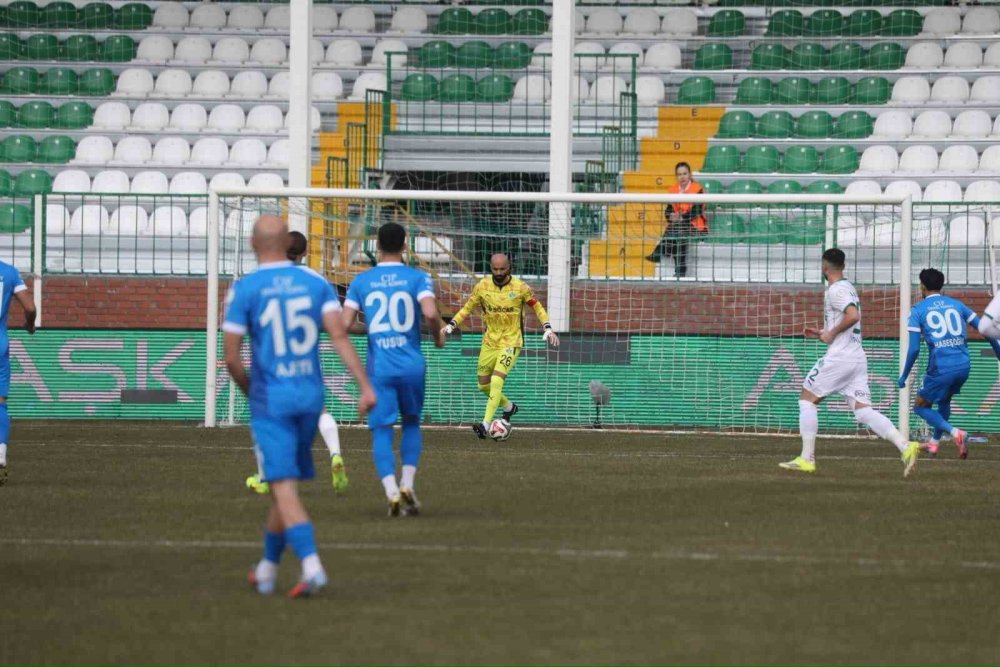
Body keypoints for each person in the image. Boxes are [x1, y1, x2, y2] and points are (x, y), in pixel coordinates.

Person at [223, 214, 376, 597]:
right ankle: (267, 568)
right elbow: (339, 335)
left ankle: (312, 567)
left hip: (272, 397)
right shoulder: (315, 282)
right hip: (310, 396)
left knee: (283, 487)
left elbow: (231, 359)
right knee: (282, 483)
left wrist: (251, 393)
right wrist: (364, 386)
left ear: (255, 244)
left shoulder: (244, 289)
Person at [780, 248, 920, 477]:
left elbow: (853, 316)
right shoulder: (849, 288)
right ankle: (906, 447)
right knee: (864, 412)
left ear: (824, 267)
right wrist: (822, 332)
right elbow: (848, 319)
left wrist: (831, 333)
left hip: (840, 358)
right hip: (856, 357)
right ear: (842, 266)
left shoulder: (836, 290)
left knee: (807, 400)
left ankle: (806, 459)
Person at [341, 222, 445, 516]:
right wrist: (438, 336)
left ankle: (390, 491)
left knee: (382, 430)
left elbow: (344, 323)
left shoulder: (361, 282)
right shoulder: (419, 277)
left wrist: (373, 328)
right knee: (411, 422)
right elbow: (429, 313)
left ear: (376, 246)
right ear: (405, 244)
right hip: (412, 365)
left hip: (380, 368)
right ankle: (407, 484)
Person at [246, 230, 349, 496]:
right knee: (320, 410)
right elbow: (336, 319)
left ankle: (265, 477)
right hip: (306, 357)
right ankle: (335, 454)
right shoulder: (316, 280)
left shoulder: (263, 278)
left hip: (273, 358)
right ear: (304, 253)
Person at [443, 253, 560, 439]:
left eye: (502, 269)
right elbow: (467, 308)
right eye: (495, 269)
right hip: (489, 342)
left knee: (497, 381)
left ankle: (485, 424)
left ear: (509, 267)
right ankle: (509, 407)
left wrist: (548, 328)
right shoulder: (482, 287)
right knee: (483, 386)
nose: (498, 272)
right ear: (491, 267)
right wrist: (451, 325)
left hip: (512, 342)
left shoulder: (520, 288)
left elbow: (537, 306)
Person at [898, 268, 1000, 458]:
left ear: (922, 286)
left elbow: (913, 349)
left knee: (920, 406)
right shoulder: (957, 304)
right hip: (963, 365)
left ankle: (956, 433)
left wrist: (904, 375)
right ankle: (934, 443)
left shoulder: (918, 311)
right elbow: (987, 331)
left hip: (941, 368)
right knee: (944, 400)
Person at [0, 260, 37, 486]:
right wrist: (30, 325)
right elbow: (30, 308)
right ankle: (0, 452)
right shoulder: (9, 272)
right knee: (0, 403)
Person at [645, 161, 707, 278]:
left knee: (678, 230)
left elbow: (696, 211)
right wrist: (671, 216)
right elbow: (668, 211)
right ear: (676, 176)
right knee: (678, 231)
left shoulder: (698, 189)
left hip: (696, 226)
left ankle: (661, 251)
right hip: (679, 227)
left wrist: (681, 217)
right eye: (679, 174)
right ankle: (680, 270)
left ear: (690, 175)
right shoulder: (673, 190)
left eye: (684, 173)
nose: (682, 177)